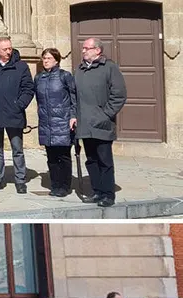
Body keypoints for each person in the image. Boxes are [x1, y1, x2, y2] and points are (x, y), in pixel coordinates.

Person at [75, 37, 128, 207]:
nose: (83, 51)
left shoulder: (109, 67)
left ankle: (107, 194)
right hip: (85, 124)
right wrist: (74, 116)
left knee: (104, 160)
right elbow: (74, 96)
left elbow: (119, 95)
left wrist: (105, 115)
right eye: (83, 48)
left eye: (87, 48)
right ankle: (97, 192)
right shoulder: (80, 70)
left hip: (102, 124)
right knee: (91, 160)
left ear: (97, 50)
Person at [0, 37, 35, 194]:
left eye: (10, 48)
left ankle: (20, 180)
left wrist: (19, 105)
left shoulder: (21, 66)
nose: (8, 51)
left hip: (14, 114)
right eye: (5, 49)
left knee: (17, 148)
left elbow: (28, 88)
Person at [34, 48, 77, 197]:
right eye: (44, 58)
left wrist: (73, 116)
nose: (45, 61)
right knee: (51, 157)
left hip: (63, 122)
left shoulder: (65, 76)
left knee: (63, 156)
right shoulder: (39, 78)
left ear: (57, 61)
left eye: (49, 58)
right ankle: (55, 185)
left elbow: (74, 98)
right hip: (46, 122)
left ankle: (64, 186)